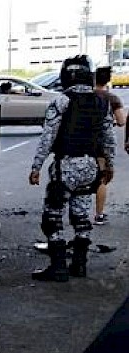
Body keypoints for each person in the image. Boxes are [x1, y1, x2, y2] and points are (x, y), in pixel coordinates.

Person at [29, 55, 115, 282]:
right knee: (81, 216)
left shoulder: (62, 101)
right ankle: (79, 265)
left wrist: (36, 166)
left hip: (66, 165)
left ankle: (58, 267)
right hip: (90, 167)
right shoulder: (102, 102)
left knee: (53, 216)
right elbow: (109, 139)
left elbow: (48, 137)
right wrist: (109, 166)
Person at [93, 66, 125, 225]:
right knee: (102, 178)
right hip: (105, 141)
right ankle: (99, 215)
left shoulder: (86, 96)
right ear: (108, 79)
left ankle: (78, 213)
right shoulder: (112, 98)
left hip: (85, 140)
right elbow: (122, 121)